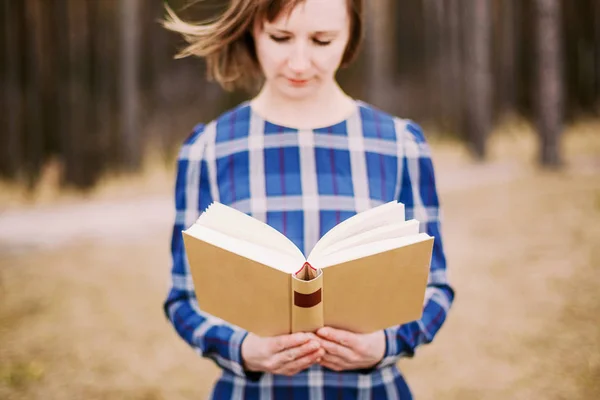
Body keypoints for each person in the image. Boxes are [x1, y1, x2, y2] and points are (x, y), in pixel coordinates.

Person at [162, 0, 455, 398]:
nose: (299, 63)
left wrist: (384, 345)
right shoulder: (207, 150)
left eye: (322, 40)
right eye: (281, 38)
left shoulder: (402, 145)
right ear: (253, 31)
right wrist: (244, 350)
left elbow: (435, 287)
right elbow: (183, 298)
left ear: (351, 38)